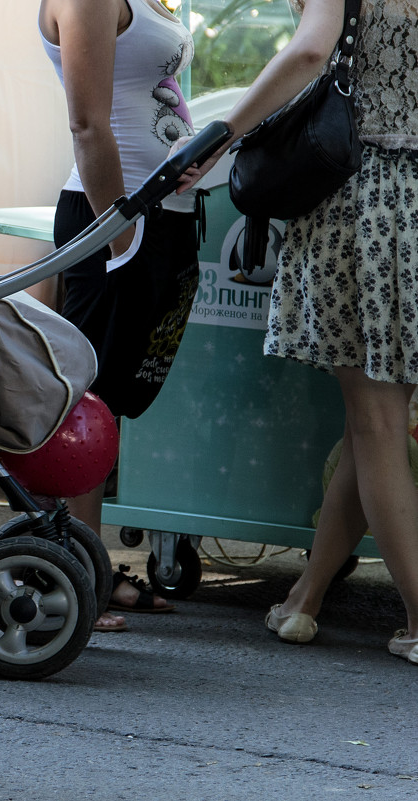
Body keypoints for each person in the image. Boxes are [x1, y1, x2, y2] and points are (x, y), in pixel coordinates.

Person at [174, 0, 418, 660]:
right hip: (414, 205)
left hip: (363, 199)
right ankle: (305, 598)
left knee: (376, 423)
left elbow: (311, 52)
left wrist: (221, 133)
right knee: (375, 420)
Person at [39, 0, 203, 628]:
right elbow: (87, 122)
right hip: (115, 215)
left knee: (113, 397)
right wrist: (119, 231)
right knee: (89, 397)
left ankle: (85, 561)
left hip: (156, 214)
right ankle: (78, 570)